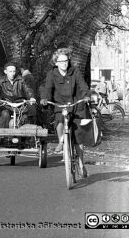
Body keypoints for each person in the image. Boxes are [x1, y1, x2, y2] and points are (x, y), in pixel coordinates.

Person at [40, 48, 91, 178]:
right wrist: (45, 98)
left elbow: (82, 85)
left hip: (76, 104)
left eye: (66, 61)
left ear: (69, 61)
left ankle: (80, 162)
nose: (64, 63)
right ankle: (61, 141)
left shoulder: (75, 71)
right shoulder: (52, 74)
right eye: (60, 61)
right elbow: (47, 88)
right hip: (60, 104)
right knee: (59, 119)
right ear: (56, 62)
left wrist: (86, 96)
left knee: (78, 138)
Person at [0, 62, 36, 128]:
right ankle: (1, 136)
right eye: (10, 71)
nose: (12, 73)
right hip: (7, 105)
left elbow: (28, 89)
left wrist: (31, 97)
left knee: (25, 117)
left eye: (14, 71)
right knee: (5, 114)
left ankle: (25, 136)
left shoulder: (21, 80)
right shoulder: (1, 81)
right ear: (5, 71)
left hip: (20, 104)